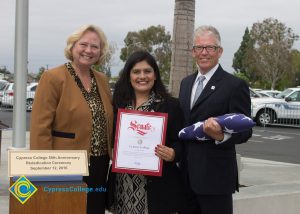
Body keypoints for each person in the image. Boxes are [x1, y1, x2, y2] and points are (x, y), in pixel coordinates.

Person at [30, 24, 114, 214]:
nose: (88, 50)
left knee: (93, 209)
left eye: (95, 46)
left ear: (100, 52)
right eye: (83, 44)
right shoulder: (53, 77)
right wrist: (44, 169)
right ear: (72, 47)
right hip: (64, 164)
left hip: (99, 165)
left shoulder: (102, 80)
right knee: (66, 209)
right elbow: (40, 127)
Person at [178, 25, 252, 214]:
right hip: (185, 179)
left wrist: (220, 136)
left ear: (219, 51)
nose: (204, 53)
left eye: (210, 47)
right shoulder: (185, 84)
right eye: (199, 48)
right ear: (193, 52)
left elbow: (245, 130)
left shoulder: (234, 85)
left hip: (215, 181)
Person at [109, 50, 187, 213]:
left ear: (155, 75)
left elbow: (182, 142)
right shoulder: (119, 105)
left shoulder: (170, 105)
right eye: (136, 72)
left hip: (156, 191)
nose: (142, 76)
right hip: (122, 188)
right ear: (129, 76)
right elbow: (111, 139)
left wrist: (173, 153)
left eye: (147, 71)